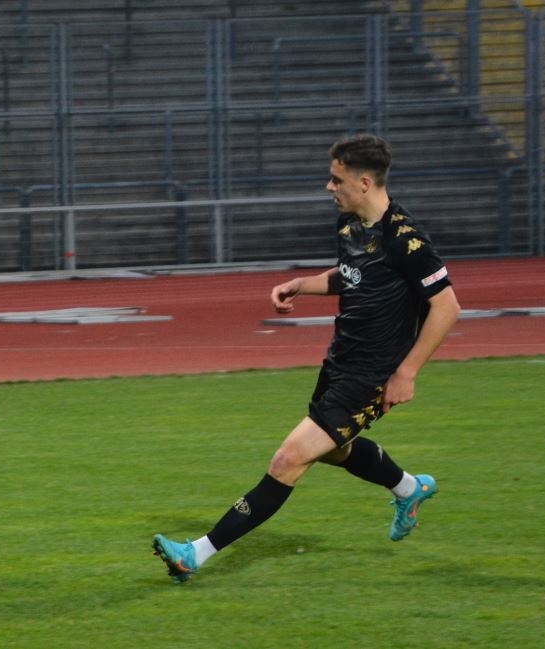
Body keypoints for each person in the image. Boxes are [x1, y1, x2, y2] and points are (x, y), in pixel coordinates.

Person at [152, 133, 461, 583]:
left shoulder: (405, 238)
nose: (328, 187)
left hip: (371, 375)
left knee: (288, 460)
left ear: (364, 182)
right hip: (339, 362)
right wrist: (304, 284)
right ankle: (409, 488)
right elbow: (353, 275)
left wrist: (406, 373)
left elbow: (447, 306)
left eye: (336, 179)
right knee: (335, 451)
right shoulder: (350, 224)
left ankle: (194, 554)